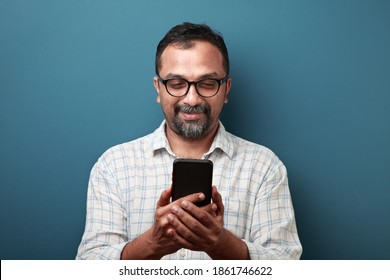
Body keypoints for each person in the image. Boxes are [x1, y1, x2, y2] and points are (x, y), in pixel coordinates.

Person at [76, 22, 302, 260]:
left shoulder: (264, 167)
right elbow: (89, 264)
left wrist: (222, 245)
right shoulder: (113, 166)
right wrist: (152, 243)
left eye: (207, 84)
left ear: (226, 89)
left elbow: (286, 264)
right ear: (158, 88)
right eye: (176, 84)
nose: (192, 99)